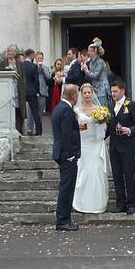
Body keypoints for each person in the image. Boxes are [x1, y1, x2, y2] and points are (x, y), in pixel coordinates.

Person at [106, 79, 135, 215]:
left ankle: (131, 203)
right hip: (114, 147)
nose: (113, 94)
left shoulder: (132, 105)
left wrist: (131, 130)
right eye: (112, 91)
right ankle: (120, 203)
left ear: (122, 91)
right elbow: (109, 127)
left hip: (127, 146)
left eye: (115, 91)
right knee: (116, 175)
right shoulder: (110, 106)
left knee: (128, 175)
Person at [72, 83, 108, 214]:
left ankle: (97, 204)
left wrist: (101, 125)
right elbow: (73, 127)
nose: (87, 95)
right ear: (81, 94)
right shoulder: (76, 110)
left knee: (96, 173)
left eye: (89, 92)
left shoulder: (99, 109)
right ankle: (81, 203)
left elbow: (104, 128)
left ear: (92, 93)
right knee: (83, 173)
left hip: (95, 144)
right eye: (85, 93)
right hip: (83, 144)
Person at [51, 83, 81, 231]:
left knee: (66, 187)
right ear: (74, 97)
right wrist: (71, 155)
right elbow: (67, 134)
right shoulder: (67, 111)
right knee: (67, 188)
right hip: (66, 155)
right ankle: (63, 220)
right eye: (77, 95)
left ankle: (65, 219)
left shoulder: (58, 108)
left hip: (61, 153)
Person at [0, 44, 27, 133]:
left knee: (19, 112)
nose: (10, 53)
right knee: (9, 111)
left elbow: (23, 79)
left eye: (12, 51)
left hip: (18, 91)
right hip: (7, 91)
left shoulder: (19, 64)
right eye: (9, 51)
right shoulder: (3, 63)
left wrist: (24, 90)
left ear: (15, 53)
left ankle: (18, 132)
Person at [22, 49, 42, 136]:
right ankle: (38, 131)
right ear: (32, 55)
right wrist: (37, 91)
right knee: (35, 112)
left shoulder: (20, 65)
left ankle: (20, 130)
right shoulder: (33, 66)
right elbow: (36, 81)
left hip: (22, 91)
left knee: (21, 111)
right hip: (32, 91)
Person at [85, 39, 110, 106]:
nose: (88, 53)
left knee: (102, 110)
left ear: (95, 51)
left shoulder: (100, 62)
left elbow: (95, 76)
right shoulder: (90, 62)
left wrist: (86, 70)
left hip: (102, 91)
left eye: (89, 51)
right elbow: (89, 77)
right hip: (94, 91)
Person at [36, 51, 52, 116]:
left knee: (40, 112)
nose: (39, 59)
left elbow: (48, 77)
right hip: (34, 92)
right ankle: (31, 126)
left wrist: (42, 68)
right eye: (38, 58)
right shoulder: (32, 67)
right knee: (32, 112)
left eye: (41, 58)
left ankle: (39, 126)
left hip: (43, 92)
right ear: (35, 58)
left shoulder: (45, 68)